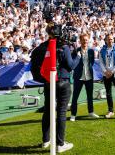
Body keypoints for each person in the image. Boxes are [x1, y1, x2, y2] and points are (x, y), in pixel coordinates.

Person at [35, 22, 80, 153]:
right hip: (63, 82)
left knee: (48, 111)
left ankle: (45, 140)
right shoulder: (63, 46)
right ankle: (60, 144)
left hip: (49, 81)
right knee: (61, 111)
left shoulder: (44, 46)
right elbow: (71, 65)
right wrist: (78, 56)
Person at [70, 33, 99, 121]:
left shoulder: (91, 51)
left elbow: (92, 62)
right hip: (79, 77)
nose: (85, 41)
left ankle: (91, 112)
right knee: (75, 96)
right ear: (80, 40)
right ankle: (73, 114)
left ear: (88, 40)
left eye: (86, 40)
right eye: (83, 40)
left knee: (90, 96)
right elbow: (73, 63)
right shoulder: (76, 51)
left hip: (89, 76)